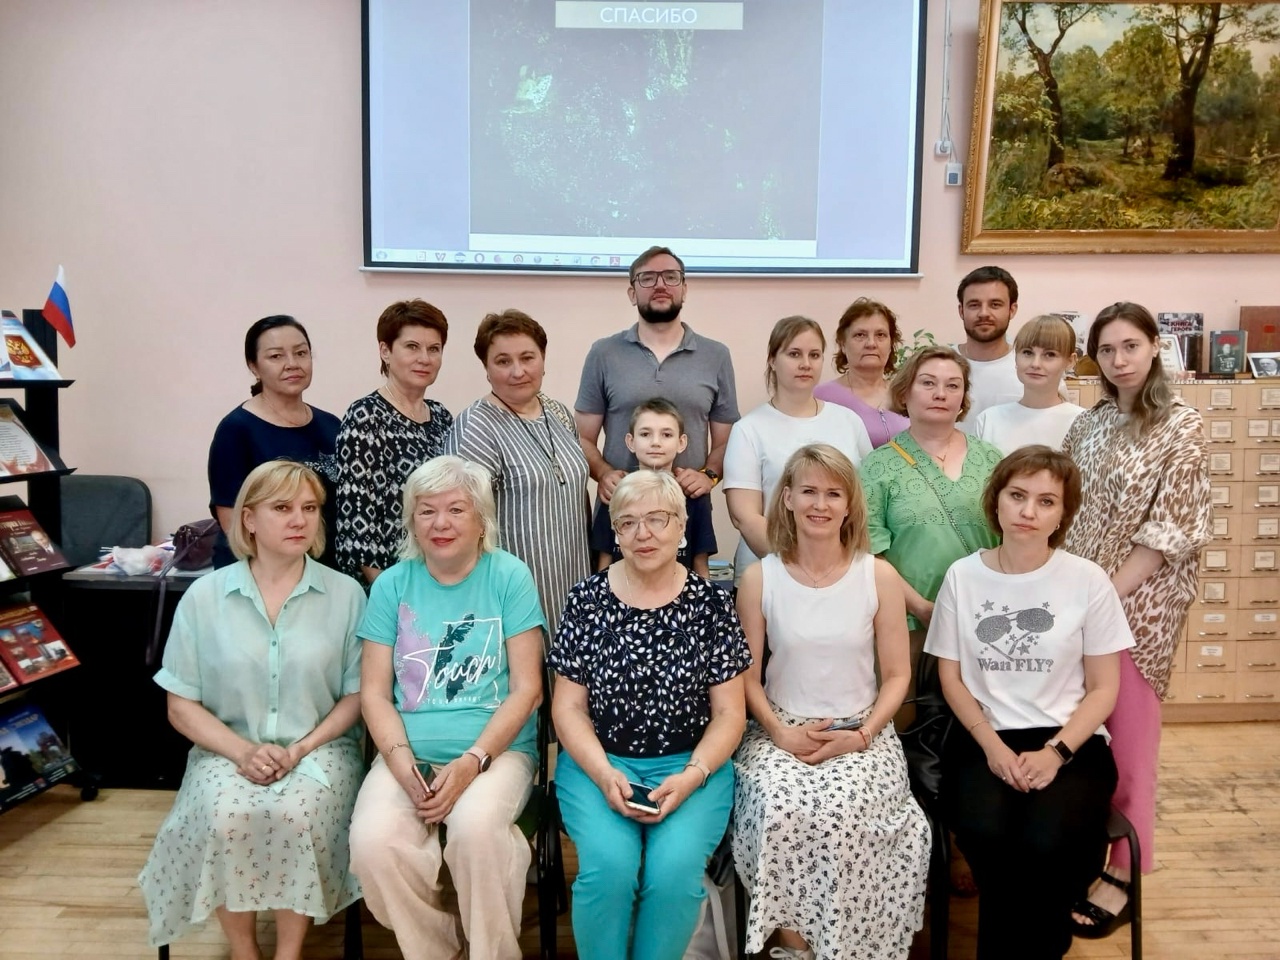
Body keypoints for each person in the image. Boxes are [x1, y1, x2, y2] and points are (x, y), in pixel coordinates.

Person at [139, 461, 366, 959]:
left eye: (310, 508)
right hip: (225, 749)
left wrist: (300, 749)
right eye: (282, 508)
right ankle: (244, 950)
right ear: (248, 519)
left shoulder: (346, 594)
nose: (299, 520)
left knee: (297, 815)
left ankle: (289, 952)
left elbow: (356, 696)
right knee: (227, 815)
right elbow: (181, 704)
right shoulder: (204, 597)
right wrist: (242, 752)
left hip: (321, 749)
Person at [925, 446, 1134, 960]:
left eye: (1046, 501)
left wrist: (1055, 754)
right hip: (982, 737)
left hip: (1070, 741)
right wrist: (992, 747)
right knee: (988, 834)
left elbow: (1103, 689)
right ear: (996, 501)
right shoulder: (962, 576)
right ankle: (1043, 944)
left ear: (1063, 514)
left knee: (1047, 842)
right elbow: (951, 677)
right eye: (1017, 495)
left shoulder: (1087, 580)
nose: (1028, 511)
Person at [733, 444, 929, 960]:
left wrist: (861, 735)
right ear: (788, 499)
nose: (820, 504)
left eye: (833, 494)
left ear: (849, 505)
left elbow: (897, 676)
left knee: (846, 815)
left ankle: (848, 948)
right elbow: (746, 678)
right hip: (779, 730)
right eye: (808, 491)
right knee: (782, 811)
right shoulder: (759, 578)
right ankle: (797, 949)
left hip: (863, 730)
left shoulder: (878, 576)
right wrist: (780, 733)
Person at [348, 456, 545, 960]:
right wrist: (400, 762)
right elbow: (374, 693)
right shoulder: (392, 585)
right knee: (373, 843)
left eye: (456, 509)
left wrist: (473, 761)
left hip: (497, 754)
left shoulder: (510, 576)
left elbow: (528, 690)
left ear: (481, 520)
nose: (441, 523)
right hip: (407, 754)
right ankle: (439, 950)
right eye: (426, 510)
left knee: (477, 832)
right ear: (411, 521)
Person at [549, 470, 750, 960]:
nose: (643, 533)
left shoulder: (711, 604)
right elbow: (568, 706)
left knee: (673, 874)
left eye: (658, 519)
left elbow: (729, 714)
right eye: (628, 522)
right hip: (600, 762)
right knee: (609, 870)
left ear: (681, 526)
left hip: (692, 765)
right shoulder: (586, 599)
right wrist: (603, 773)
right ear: (614, 533)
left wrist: (693, 774)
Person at [1061, 302, 1212, 937]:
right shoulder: (1090, 422)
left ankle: (1124, 870)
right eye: (1107, 349)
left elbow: (1169, 531)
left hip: (1136, 609)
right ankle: (1080, 856)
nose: (1119, 360)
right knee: (1081, 738)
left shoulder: (1182, 425)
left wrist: (1101, 596)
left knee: (1129, 743)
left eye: (1130, 346)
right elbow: (1062, 502)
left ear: (1154, 346)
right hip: (1077, 601)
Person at [445, 309, 591, 636]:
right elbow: (461, 520)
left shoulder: (558, 412)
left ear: (543, 359)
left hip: (575, 578)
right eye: (503, 361)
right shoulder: (476, 426)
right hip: (515, 593)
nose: (518, 371)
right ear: (486, 369)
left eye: (527, 357)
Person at [575, 245, 739, 504]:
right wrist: (603, 474)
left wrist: (709, 475)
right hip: (620, 506)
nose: (660, 285)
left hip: (689, 506)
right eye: (648, 278)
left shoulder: (716, 355)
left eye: (671, 277)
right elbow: (583, 438)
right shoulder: (603, 353)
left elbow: (727, 441)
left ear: (684, 289)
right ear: (632, 294)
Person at [724, 316, 872, 584]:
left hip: (842, 575)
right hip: (768, 575)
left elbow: (867, 499)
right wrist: (799, 569)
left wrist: (833, 568)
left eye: (814, 355)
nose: (806, 364)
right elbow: (744, 516)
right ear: (772, 360)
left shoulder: (849, 421)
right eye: (794, 354)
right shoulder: (748, 429)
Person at [334, 299, 453, 586]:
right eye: (412, 347)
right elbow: (357, 522)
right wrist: (389, 595)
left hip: (441, 578)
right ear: (385, 351)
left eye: (434, 349)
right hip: (389, 584)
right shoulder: (365, 417)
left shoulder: (442, 417)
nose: (424, 358)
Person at [207, 315, 341, 568]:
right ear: (254, 367)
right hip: (261, 572)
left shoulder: (331, 425)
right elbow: (232, 522)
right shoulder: (236, 430)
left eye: (301, 353)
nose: (292, 364)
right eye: (276, 356)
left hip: (324, 570)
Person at [589, 397, 716, 576]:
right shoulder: (616, 494)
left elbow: (701, 565)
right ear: (631, 442)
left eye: (666, 435)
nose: (655, 442)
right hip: (622, 590)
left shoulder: (694, 497)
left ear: (681, 443)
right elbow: (604, 563)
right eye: (645, 434)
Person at [971, 314, 1084, 453]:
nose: (1035, 364)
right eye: (1027, 353)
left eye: (1049, 354)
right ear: (1015, 357)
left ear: (1070, 361)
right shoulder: (988, 421)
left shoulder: (1083, 422)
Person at [813, 297, 910, 447]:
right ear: (842, 344)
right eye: (860, 335)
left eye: (880, 335)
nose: (871, 343)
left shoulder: (905, 395)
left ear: (891, 344)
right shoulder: (821, 398)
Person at [953, 266, 1023, 432]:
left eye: (995, 304)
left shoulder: (1032, 369)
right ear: (961, 311)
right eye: (974, 305)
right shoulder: (939, 366)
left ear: (1012, 310)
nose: (984, 313)